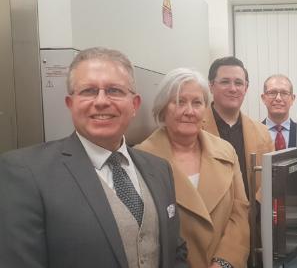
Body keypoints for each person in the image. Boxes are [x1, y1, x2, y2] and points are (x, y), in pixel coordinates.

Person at [0, 47, 187, 268]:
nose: (101, 101)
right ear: (70, 104)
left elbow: (175, 251)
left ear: (134, 104)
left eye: (114, 90)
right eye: (88, 91)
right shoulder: (26, 173)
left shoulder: (159, 169)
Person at [136, 68, 249, 268]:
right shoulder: (141, 159)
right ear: (163, 108)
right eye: (179, 102)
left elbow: (239, 211)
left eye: (197, 103)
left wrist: (224, 261)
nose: (189, 111)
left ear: (205, 108)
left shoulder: (226, 151)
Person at [202, 56, 273, 201]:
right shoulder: (194, 128)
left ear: (246, 88)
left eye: (239, 83)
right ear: (210, 86)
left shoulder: (263, 133)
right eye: (225, 82)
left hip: (252, 218)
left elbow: (271, 177)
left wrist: (256, 209)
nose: (233, 89)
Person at [261, 74, 297, 150]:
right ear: (263, 98)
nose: (278, 98)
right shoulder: (252, 134)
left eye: (284, 93)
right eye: (272, 93)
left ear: (292, 99)